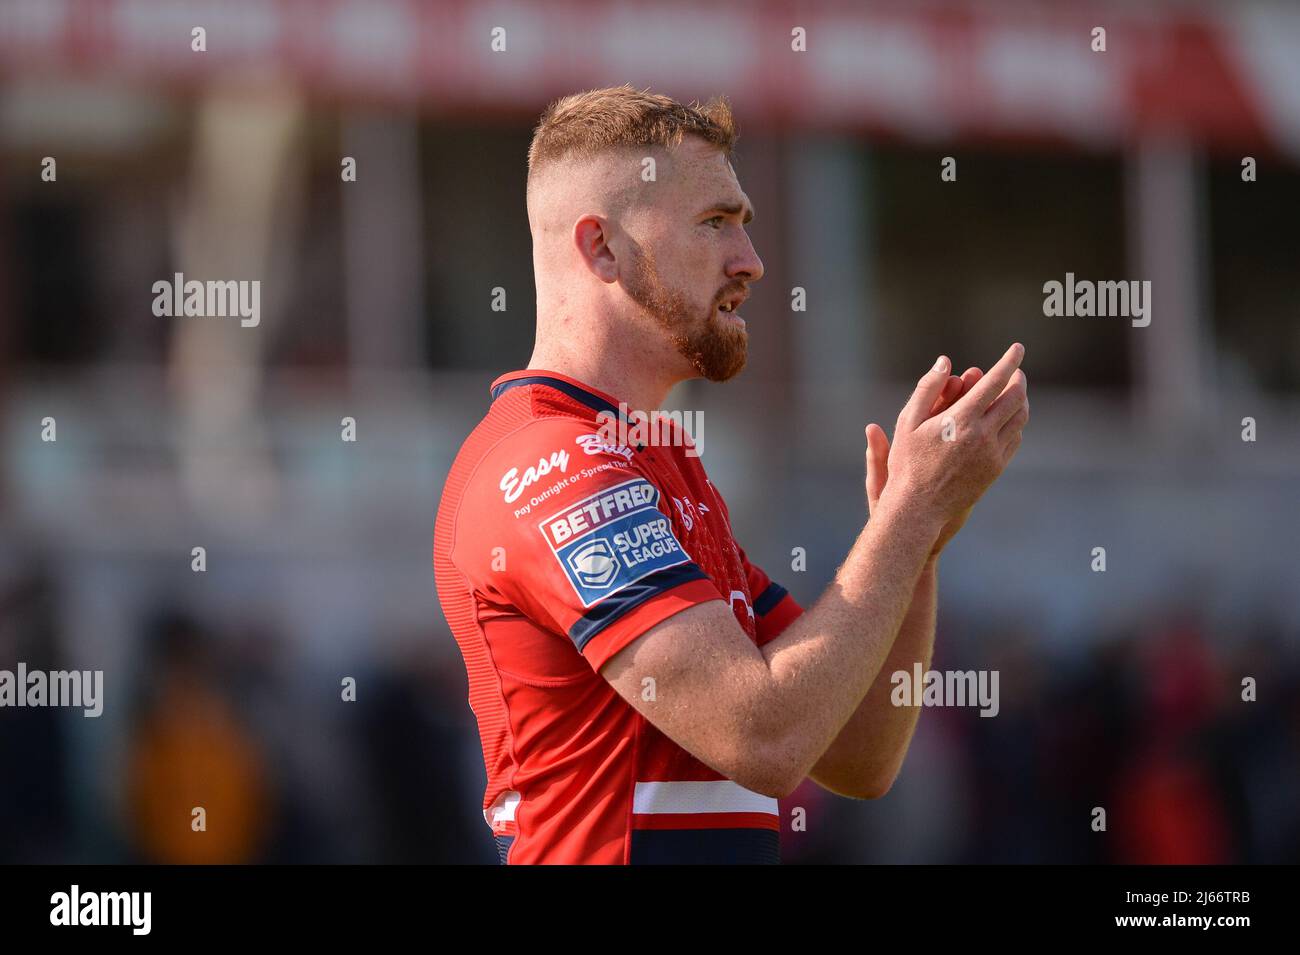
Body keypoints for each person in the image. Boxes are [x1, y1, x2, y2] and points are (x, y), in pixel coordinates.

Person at [433, 85, 1029, 864]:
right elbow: (764, 735)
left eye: (743, 225)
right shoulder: (557, 462)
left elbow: (858, 755)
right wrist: (908, 516)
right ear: (602, 248)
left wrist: (918, 538)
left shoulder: (660, 465)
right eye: (714, 223)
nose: (749, 261)